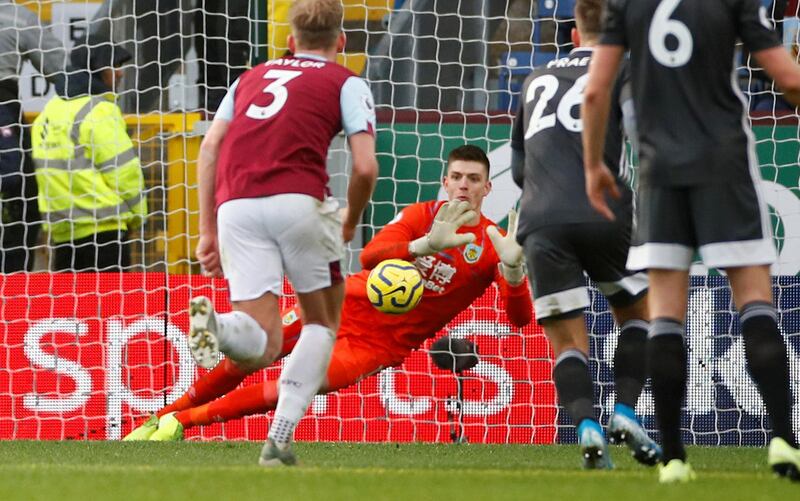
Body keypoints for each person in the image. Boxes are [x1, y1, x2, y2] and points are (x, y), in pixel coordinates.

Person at [123, 145, 533, 447]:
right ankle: (158, 416)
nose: (464, 185)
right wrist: (422, 246)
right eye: (457, 177)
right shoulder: (420, 216)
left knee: (294, 386)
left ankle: (180, 424)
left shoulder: (492, 244)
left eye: (473, 179)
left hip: (378, 344)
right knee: (251, 354)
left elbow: (519, 320)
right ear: (445, 181)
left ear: (487, 187)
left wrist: (514, 274)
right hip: (337, 304)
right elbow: (372, 255)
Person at [582, 0, 800, 483]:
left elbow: (595, 92)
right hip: (726, 165)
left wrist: (594, 164)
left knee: (665, 316)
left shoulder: (625, 6)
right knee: (755, 302)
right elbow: (789, 80)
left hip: (659, 173)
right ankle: (784, 439)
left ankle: (675, 459)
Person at [186, 0, 378, 467]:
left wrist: (206, 230)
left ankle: (219, 326)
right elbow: (367, 165)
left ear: (290, 42)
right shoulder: (347, 81)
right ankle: (279, 439)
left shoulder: (249, 77)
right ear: (341, 42)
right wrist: (350, 220)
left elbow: (210, 147)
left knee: (262, 341)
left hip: (236, 206)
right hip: (299, 201)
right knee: (322, 323)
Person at [510, 0, 657, 470]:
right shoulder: (624, 66)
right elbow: (643, 134)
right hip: (605, 209)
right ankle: (627, 411)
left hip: (541, 220)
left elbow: (518, 169)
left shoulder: (534, 79)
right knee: (639, 316)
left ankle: (586, 426)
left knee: (567, 343)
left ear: (574, 34)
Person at [31, 35, 146, 271]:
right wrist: (137, 216)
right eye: (114, 66)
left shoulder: (47, 115)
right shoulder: (99, 111)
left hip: (62, 233)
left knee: (72, 307)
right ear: (97, 68)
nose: (120, 73)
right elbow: (125, 173)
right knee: (111, 307)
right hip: (105, 231)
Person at [0, 0, 67, 272]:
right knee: (21, 197)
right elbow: (59, 67)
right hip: (2, 109)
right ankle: (13, 284)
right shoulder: (16, 16)